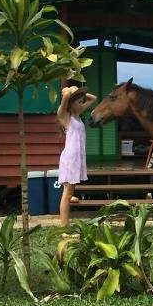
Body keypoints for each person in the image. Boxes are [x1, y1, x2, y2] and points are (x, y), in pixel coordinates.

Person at [56, 85, 96, 226]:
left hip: (76, 158)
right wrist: (69, 92)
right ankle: (64, 228)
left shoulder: (77, 115)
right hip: (70, 159)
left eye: (81, 101)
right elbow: (65, 99)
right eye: (79, 101)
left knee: (68, 193)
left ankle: (70, 196)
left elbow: (93, 98)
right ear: (70, 103)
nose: (82, 103)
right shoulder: (65, 116)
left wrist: (79, 92)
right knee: (66, 195)